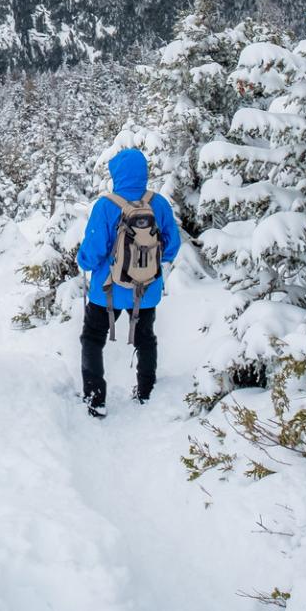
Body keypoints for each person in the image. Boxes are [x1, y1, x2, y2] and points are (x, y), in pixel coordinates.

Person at [75, 147, 180, 416]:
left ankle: (95, 398)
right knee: (146, 339)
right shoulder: (158, 203)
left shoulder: (106, 205)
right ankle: (147, 392)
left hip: (107, 289)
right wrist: (149, 266)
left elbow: (94, 250)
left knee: (92, 339)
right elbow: (172, 245)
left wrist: (84, 261)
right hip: (146, 290)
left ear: (116, 174)